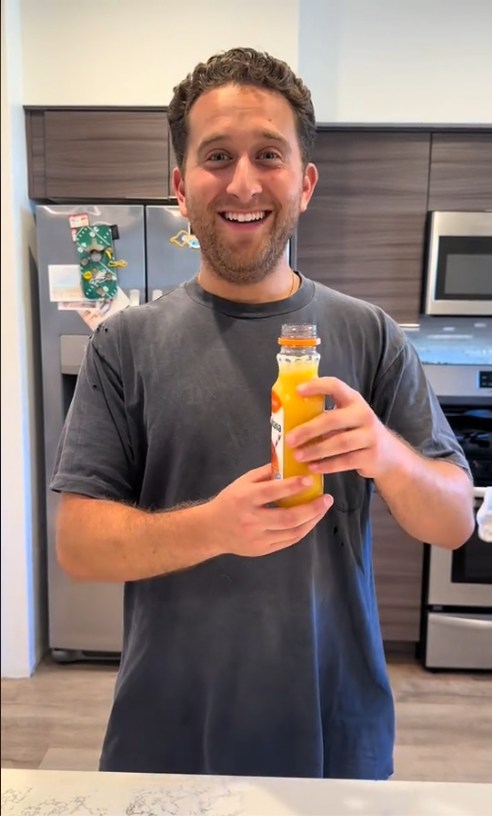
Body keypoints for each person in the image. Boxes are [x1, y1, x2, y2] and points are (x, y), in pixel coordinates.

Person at [51, 47, 475, 780]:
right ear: (181, 187)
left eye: (268, 154)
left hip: (334, 736)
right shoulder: (125, 343)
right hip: (168, 737)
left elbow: (454, 519)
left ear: (304, 182)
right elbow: (80, 544)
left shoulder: (369, 335)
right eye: (217, 155)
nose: (243, 181)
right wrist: (214, 526)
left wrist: (383, 451)